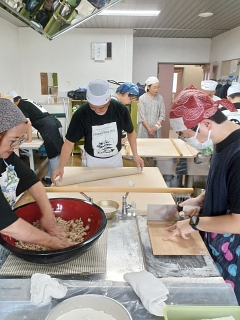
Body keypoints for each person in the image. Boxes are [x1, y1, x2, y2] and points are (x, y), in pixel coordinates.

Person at [163, 85, 240, 303]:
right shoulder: (221, 142)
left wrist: (194, 222)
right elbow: (226, 184)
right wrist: (201, 198)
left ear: (206, 123)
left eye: (184, 134)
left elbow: (238, 223)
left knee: (225, 304)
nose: (184, 139)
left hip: (233, 251)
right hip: (216, 240)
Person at [0, 98, 74, 249]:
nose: (15, 147)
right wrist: (54, 242)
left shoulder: (6, 156)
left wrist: (48, 215)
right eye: (13, 140)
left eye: (19, 140)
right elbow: (7, 224)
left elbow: (32, 180)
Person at [52, 79, 144, 182]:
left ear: (109, 100)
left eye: (101, 108)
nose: (96, 111)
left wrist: (135, 155)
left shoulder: (120, 110)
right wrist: (60, 167)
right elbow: (69, 143)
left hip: (115, 160)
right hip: (92, 161)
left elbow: (131, 132)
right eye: (93, 107)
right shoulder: (81, 115)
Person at [9, 91, 64, 187]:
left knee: (54, 155)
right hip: (55, 124)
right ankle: (48, 177)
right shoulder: (27, 101)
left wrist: (29, 140)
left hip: (49, 128)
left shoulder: (21, 105)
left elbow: (28, 123)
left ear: (15, 101)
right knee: (53, 154)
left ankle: (56, 183)